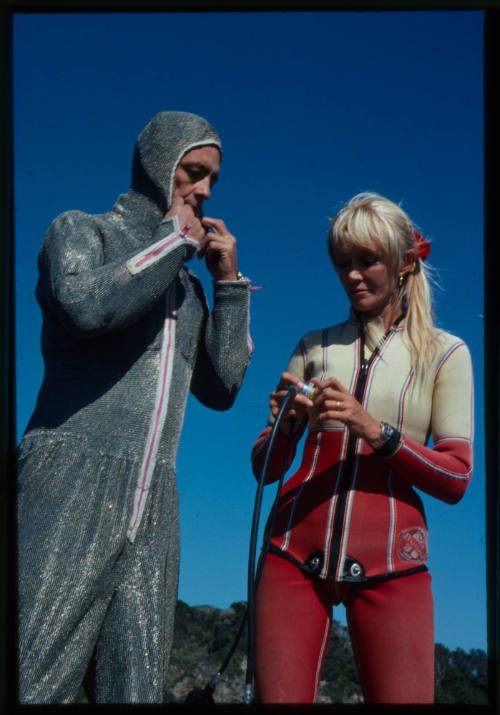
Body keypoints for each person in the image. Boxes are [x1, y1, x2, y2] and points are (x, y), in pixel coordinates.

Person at [17, 110, 253, 704]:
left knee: (136, 690)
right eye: (193, 172)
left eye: (211, 181)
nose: (201, 190)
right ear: (157, 165)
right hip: (70, 477)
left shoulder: (188, 290)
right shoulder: (81, 229)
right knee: (34, 678)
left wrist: (228, 287)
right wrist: (173, 242)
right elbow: (86, 307)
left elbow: (222, 389)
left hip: (156, 506)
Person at [251, 193, 473, 704]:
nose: (352, 276)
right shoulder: (314, 345)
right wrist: (287, 426)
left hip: (394, 567)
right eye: (342, 264)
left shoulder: (446, 354)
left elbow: (457, 477)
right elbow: (264, 470)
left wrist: (374, 429)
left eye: (367, 261)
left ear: (404, 264)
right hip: (290, 555)